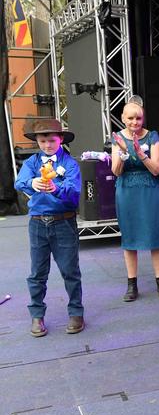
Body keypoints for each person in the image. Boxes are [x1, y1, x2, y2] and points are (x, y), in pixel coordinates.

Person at [14, 118, 84, 337]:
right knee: (37, 273)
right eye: (42, 141)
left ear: (60, 139)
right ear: (37, 141)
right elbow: (20, 182)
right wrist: (32, 183)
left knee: (70, 271)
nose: (47, 145)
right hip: (37, 223)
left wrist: (55, 188)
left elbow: (74, 191)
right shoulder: (32, 163)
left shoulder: (70, 163)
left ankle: (76, 313)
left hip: (64, 222)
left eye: (51, 140)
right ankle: (37, 315)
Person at [111, 98, 159, 302]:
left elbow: (157, 169)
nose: (134, 122)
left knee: (155, 236)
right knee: (129, 238)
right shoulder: (117, 138)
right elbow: (116, 171)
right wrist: (122, 152)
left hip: (150, 189)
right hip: (127, 190)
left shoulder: (152, 136)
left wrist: (140, 154)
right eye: (130, 118)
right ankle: (131, 284)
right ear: (123, 118)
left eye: (138, 118)